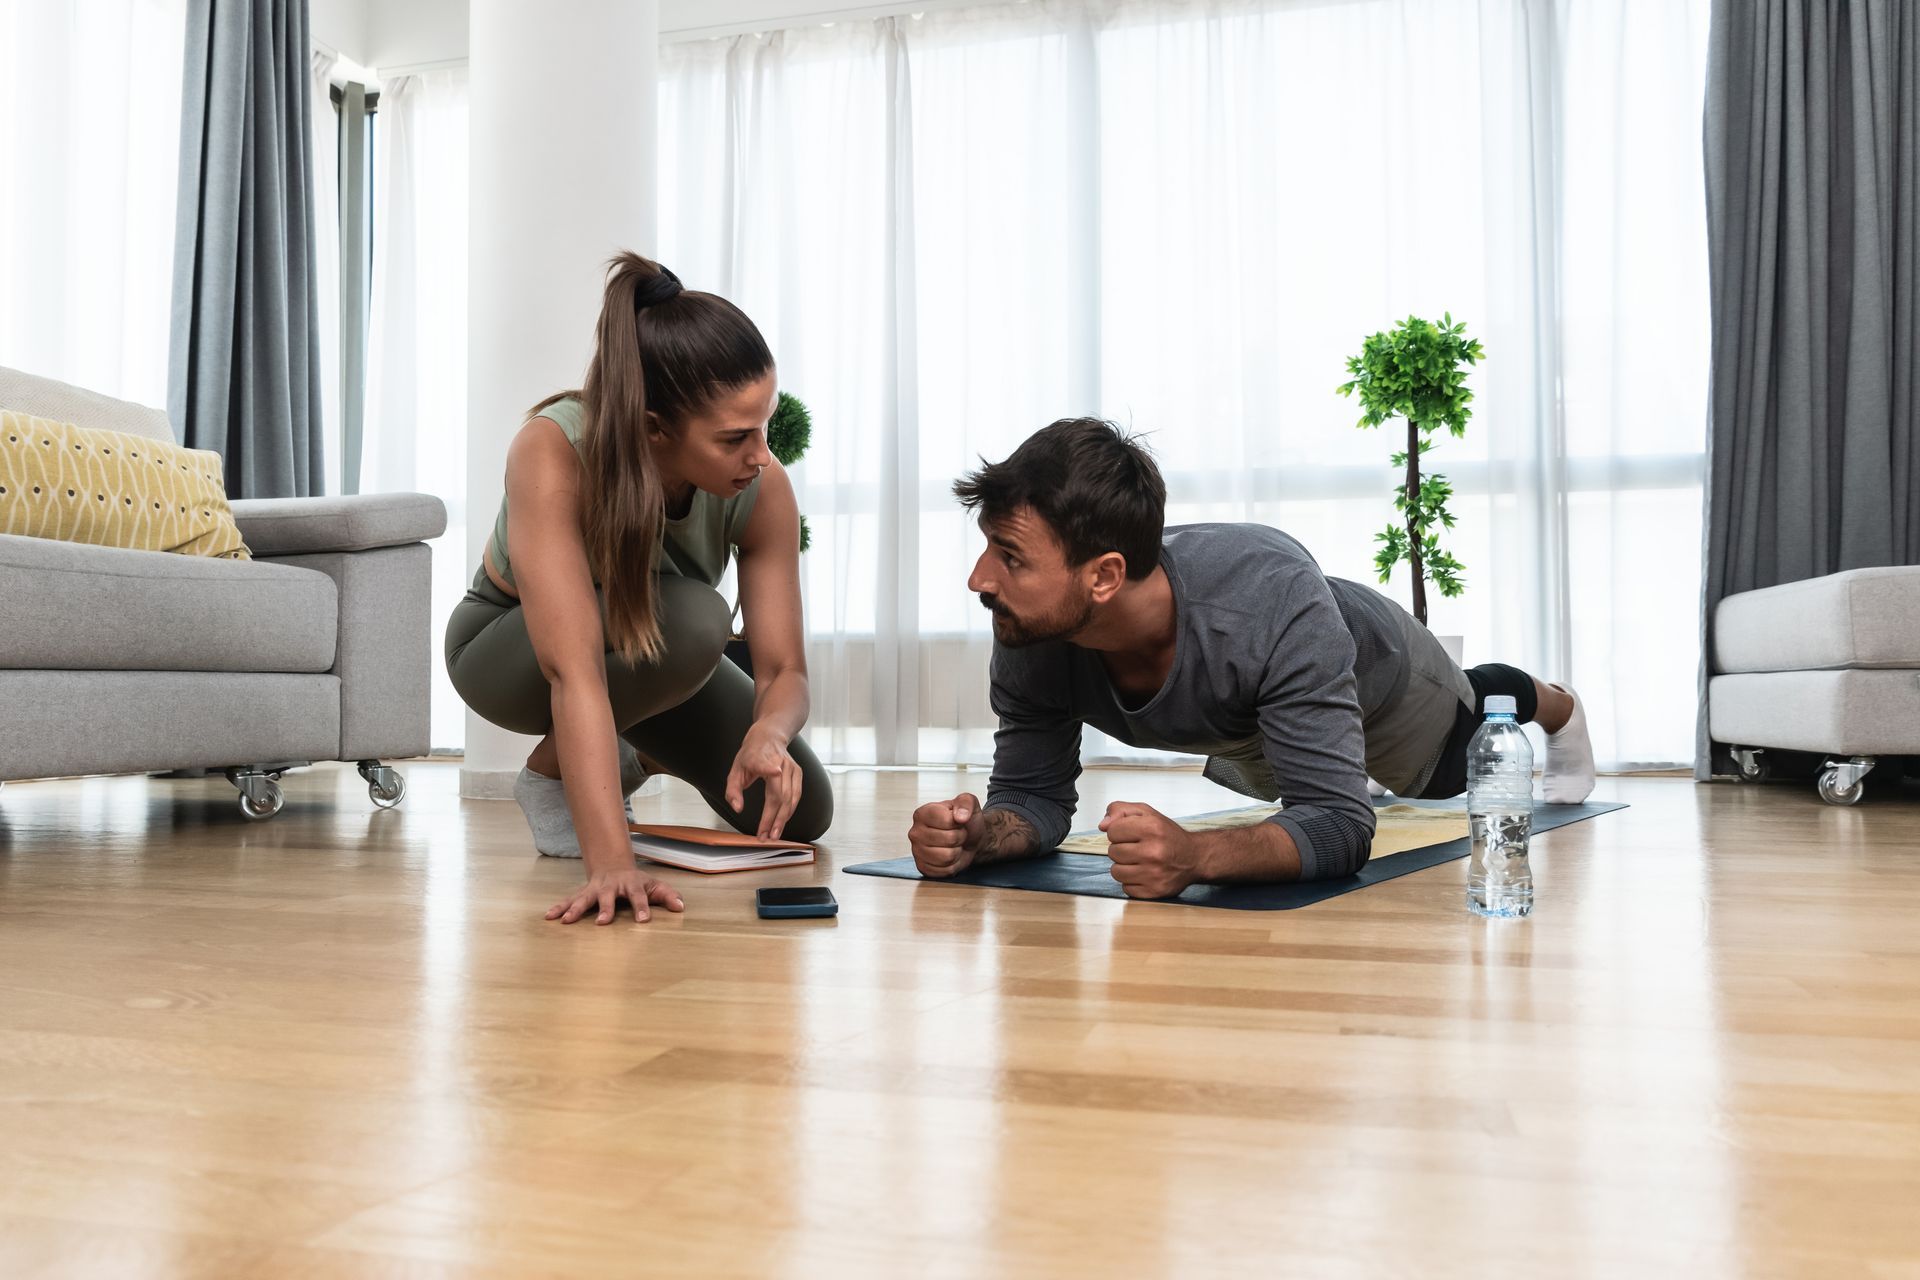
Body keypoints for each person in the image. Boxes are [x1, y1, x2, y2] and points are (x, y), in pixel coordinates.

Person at [907, 418, 1594, 899]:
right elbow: (1032, 798)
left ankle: (1557, 702)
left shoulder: (1265, 601)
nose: (979, 579)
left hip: (1376, 671)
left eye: (1011, 557)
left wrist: (1198, 855)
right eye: (989, 546)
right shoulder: (1032, 627)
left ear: (1104, 577)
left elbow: (1339, 825)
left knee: (1451, 759)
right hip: (1250, 712)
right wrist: (982, 838)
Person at [446, 253, 832, 925]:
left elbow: (783, 669)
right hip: (504, 650)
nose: (762, 455)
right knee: (695, 618)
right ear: (655, 428)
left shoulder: (763, 487)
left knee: (800, 810)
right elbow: (573, 673)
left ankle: (630, 751)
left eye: (765, 426)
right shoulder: (554, 448)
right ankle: (550, 775)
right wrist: (612, 864)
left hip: (650, 654)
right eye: (736, 437)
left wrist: (769, 731)